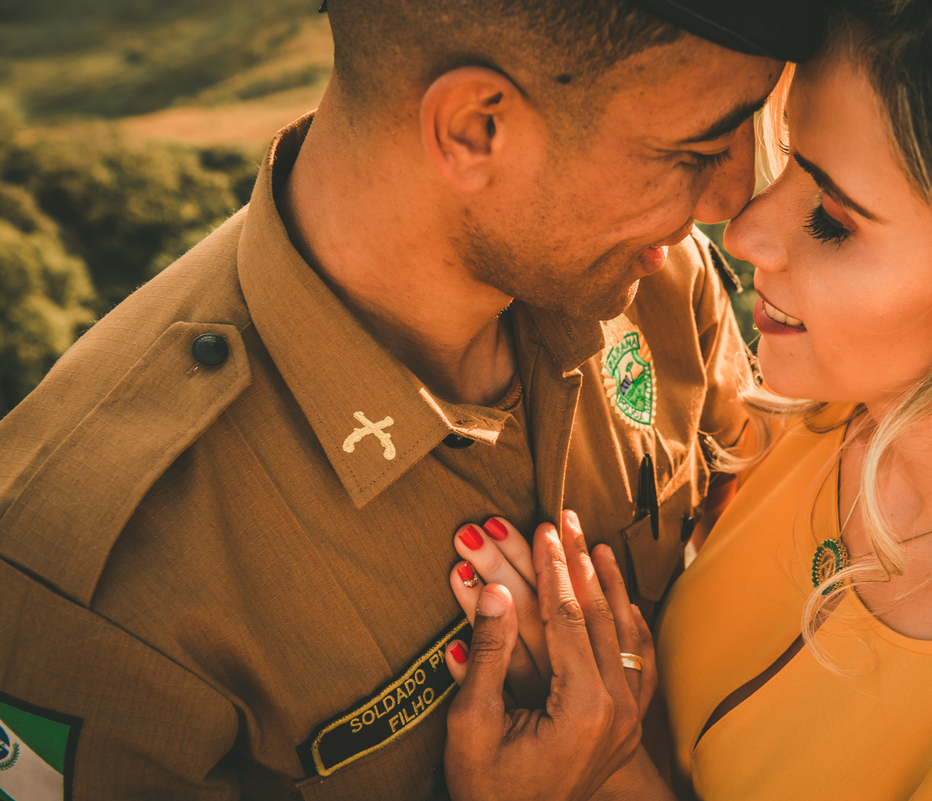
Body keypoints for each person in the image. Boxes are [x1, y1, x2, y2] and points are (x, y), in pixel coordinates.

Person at [0, 1, 832, 798]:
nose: (732, 205)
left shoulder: (653, 276)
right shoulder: (91, 585)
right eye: (695, 150)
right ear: (476, 128)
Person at [444, 0, 932, 798]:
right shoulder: (814, 415)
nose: (745, 232)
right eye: (791, 159)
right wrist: (592, 693)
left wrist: (595, 779)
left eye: (834, 220)